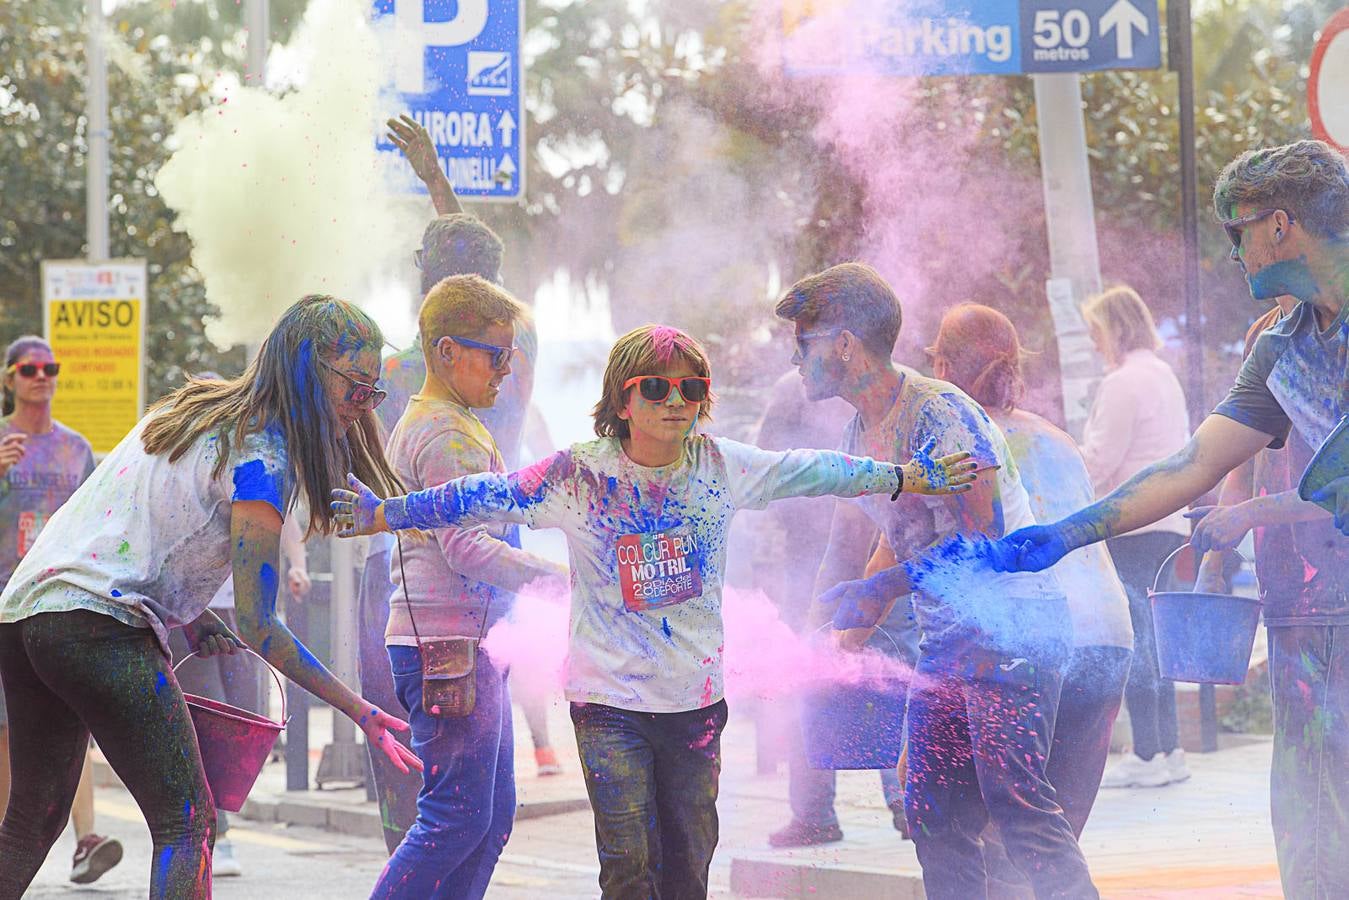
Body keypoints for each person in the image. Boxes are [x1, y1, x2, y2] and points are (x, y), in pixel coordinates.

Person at [332, 323, 978, 900]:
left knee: (687, 867)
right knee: (627, 866)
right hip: (607, 705)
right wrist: (383, 513)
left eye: (690, 389)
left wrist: (906, 476)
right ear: (622, 399)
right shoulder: (577, 475)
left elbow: (815, 469)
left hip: (694, 704)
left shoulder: (720, 466)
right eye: (656, 387)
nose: (675, 401)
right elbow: (479, 496)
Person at [988, 139, 1349, 900]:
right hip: (1320, 615)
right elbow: (1191, 465)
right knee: (1311, 817)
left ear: (1280, 226)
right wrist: (1064, 534)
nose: (1234, 253)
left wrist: (1257, 511)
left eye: (1236, 231)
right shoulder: (1283, 348)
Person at [0, 296, 421, 899]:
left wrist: (192, 621)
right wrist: (360, 710)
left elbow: (140, 533)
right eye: (358, 390)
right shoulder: (264, 458)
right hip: (96, 627)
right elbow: (258, 623)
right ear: (311, 372)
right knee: (188, 822)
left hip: (24, 617)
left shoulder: (197, 410)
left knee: (29, 825)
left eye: (373, 395)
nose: (362, 411)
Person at [775, 264, 1098, 900]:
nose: (796, 357)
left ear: (844, 343)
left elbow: (985, 548)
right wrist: (835, 643)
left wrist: (886, 586)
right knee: (930, 812)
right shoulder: (857, 430)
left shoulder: (941, 412)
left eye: (804, 340)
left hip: (1013, 632)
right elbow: (871, 548)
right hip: (949, 648)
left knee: (1019, 811)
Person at [362, 116, 562, 853]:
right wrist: (437, 185)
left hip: (421, 575)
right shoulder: (512, 347)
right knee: (467, 796)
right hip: (480, 568)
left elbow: (461, 286)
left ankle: (406, 867)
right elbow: (471, 283)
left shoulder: (397, 371)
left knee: (432, 781)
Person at [925, 304, 1134, 892]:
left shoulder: (954, 444)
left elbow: (958, 566)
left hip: (1027, 642)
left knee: (994, 840)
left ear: (942, 365)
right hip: (1108, 636)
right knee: (1049, 835)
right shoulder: (1057, 437)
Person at [371, 275, 567, 898]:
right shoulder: (446, 432)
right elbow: (465, 549)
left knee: (487, 821)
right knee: (457, 818)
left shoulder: (451, 422)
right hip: (447, 651)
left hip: (467, 648)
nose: (507, 370)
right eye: (496, 354)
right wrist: (563, 580)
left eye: (513, 355)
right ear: (446, 351)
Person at [752, 371, 912, 847]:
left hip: (829, 556)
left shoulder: (791, 389)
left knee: (814, 675)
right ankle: (902, 802)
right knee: (889, 671)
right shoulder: (890, 393)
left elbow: (769, 469)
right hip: (867, 551)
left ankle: (819, 812)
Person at [0, 336, 123, 886]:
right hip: (4, 601)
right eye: (29, 368)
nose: (41, 376)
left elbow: (97, 522)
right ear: (10, 378)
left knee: (72, 720)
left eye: (49, 367)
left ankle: (86, 840)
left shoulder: (76, 450)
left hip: (59, 600)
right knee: (6, 729)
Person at [1076, 286, 1192, 789]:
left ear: (1115, 329)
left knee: (1136, 640)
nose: (1095, 343)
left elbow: (1100, 461)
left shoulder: (1123, 383)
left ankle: (1145, 754)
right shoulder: (1163, 375)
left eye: (1097, 332)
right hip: (1168, 524)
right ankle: (1168, 749)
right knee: (1157, 640)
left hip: (1132, 525)